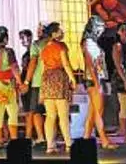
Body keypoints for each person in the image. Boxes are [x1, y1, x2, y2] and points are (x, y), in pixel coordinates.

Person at [39, 22, 77, 154]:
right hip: (59, 78)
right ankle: (68, 143)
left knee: (50, 116)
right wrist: (72, 78)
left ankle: (50, 145)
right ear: (54, 33)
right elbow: (66, 64)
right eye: (59, 31)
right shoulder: (60, 46)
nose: (62, 32)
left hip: (47, 79)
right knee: (63, 115)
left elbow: (43, 67)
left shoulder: (44, 49)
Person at [81, 16, 117, 149]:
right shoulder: (88, 42)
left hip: (95, 78)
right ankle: (104, 140)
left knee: (92, 112)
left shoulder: (90, 42)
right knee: (99, 112)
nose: (102, 30)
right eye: (100, 27)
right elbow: (90, 64)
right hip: (95, 79)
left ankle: (86, 139)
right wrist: (97, 82)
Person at [22, 24, 48, 145]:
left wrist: (26, 82)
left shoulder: (37, 45)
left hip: (37, 82)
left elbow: (32, 64)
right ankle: (49, 138)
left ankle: (41, 136)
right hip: (52, 81)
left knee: (36, 111)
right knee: (51, 111)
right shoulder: (56, 44)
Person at [111, 22, 126, 142]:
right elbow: (118, 64)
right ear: (118, 32)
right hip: (122, 77)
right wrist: (125, 80)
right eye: (123, 30)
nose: (125, 32)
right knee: (125, 105)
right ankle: (125, 133)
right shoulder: (118, 45)